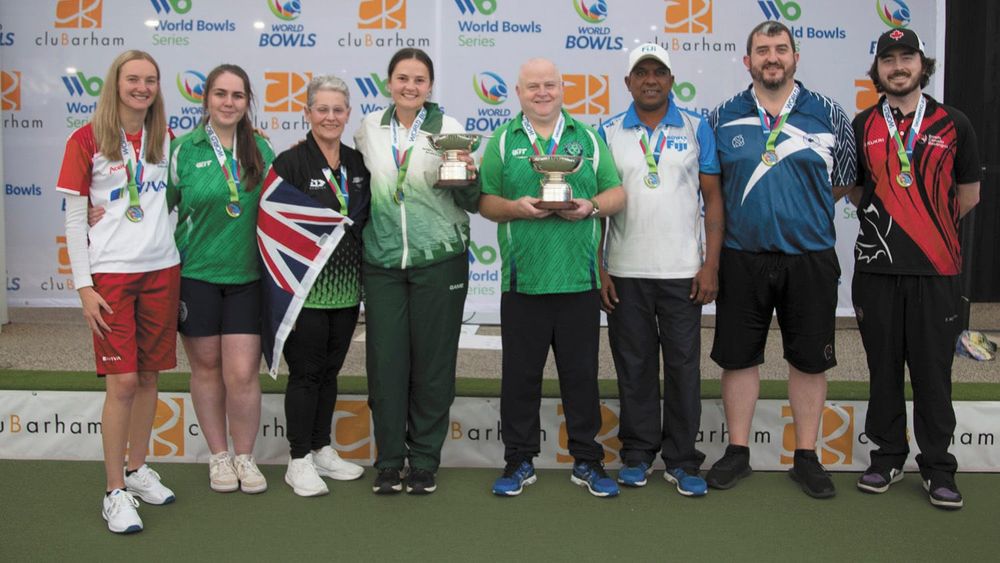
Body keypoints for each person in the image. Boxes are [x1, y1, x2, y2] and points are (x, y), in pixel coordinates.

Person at [706, 21, 856, 499]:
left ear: (796, 57)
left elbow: (843, 182)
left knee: (810, 362)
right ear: (746, 60)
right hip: (741, 257)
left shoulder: (829, 113)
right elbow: (712, 191)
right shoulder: (722, 116)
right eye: (762, 50)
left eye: (781, 49)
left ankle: (807, 456)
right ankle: (737, 451)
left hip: (809, 258)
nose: (773, 57)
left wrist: (797, 210)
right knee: (738, 358)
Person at [480, 58, 626, 498]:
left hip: (579, 283)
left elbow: (616, 192)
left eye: (549, 85)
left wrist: (590, 207)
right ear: (519, 93)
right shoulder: (503, 141)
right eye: (532, 87)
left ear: (563, 89)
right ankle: (519, 461)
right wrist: (515, 207)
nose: (541, 92)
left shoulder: (588, 138)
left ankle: (587, 460)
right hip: (523, 283)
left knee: (581, 376)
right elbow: (485, 201)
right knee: (519, 378)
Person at [849, 28, 981, 509]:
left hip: (938, 270)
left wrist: (927, 229)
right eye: (889, 59)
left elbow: (968, 196)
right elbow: (857, 191)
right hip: (877, 271)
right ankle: (885, 457)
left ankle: (939, 467)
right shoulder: (863, 124)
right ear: (878, 69)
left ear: (923, 66)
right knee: (883, 370)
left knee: (932, 373)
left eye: (907, 57)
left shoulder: (955, 123)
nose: (898, 66)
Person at [57, 50, 179, 533]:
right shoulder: (85, 139)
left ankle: (138, 468)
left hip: (162, 271)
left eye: (150, 80)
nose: (142, 87)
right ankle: (114, 489)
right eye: (133, 79)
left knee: (149, 376)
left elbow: (168, 203)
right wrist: (83, 287)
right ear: (116, 83)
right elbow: (72, 219)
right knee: (122, 382)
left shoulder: (164, 138)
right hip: (110, 276)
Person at [598, 43, 723, 496]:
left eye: (659, 72)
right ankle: (637, 453)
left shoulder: (696, 127)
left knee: (683, 367)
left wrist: (710, 264)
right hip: (626, 271)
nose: (650, 80)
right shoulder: (607, 130)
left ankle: (683, 458)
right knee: (633, 366)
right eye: (641, 72)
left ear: (672, 80)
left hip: (683, 272)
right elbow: (599, 207)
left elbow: (712, 200)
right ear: (627, 82)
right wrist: (601, 268)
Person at [353, 48, 479, 495]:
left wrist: (470, 177)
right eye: (402, 78)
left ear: (430, 86)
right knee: (386, 365)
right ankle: (388, 461)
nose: (410, 86)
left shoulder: (449, 130)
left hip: (439, 260)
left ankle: (424, 460)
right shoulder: (368, 128)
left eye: (419, 79)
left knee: (433, 365)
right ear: (388, 82)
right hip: (383, 263)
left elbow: (470, 201)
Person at [168, 64, 275, 494]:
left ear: (248, 102)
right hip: (195, 275)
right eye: (220, 94)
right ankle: (218, 456)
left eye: (237, 95)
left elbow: (281, 209)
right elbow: (160, 209)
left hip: (247, 277)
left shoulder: (262, 150)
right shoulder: (182, 150)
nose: (228, 103)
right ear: (206, 99)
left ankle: (245, 457)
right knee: (206, 369)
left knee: (243, 371)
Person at [270, 75, 370, 497]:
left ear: (348, 114)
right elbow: (273, 225)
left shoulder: (357, 163)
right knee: (306, 373)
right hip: (305, 290)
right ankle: (297, 459)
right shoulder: (290, 163)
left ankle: (321, 448)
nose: (330, 117)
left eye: (338, 109)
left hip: (346, 290)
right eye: (322, 109)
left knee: (330, 372)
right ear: (307, 112)